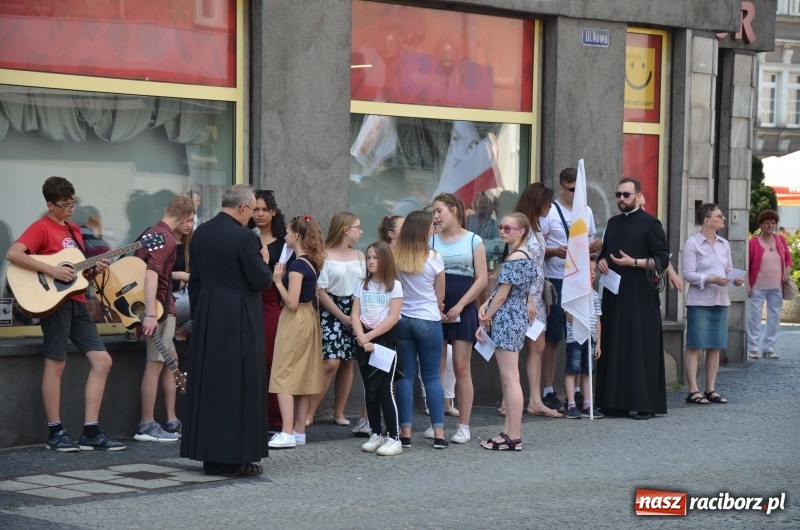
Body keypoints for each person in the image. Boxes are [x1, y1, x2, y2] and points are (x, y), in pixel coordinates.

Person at [5, 176, 125, 451]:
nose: (71, 209)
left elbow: (78, 274)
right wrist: (53, 270)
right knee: (56, 363)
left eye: (73, 203)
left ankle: (91, 431)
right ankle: (55, 431)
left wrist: (95, 269)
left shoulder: (74, 230)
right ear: (50, 204)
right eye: (65, 205)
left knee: (103, 360)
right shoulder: (40, 228)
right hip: (55, 305)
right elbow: (13, 254)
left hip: (78, 302)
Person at [180, 185, 272, 477]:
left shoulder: (201, 233)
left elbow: (194, 281)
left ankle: (209, 455)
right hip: (239, 318)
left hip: (208, 316)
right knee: (240, 385)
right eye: (252, 210)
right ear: (243, 208)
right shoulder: (245, 238)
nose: (252, 217)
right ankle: (237, 458)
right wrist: (266, 263)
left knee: (211, 385)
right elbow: (260, 280)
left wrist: (201, 314)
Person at [596, 178, 670, 419]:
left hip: (641, 297)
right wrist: (602, 261)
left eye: (626, 195)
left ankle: (644, 403)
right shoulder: (613, 223)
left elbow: (661, 260)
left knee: (640, 347)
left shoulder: (651, 223)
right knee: (614, 345)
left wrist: (634, 263)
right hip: (614, 295)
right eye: (618, 195)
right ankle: (613, 402)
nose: (621, 199)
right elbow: (604, 254)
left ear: (638, 196)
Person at [134, 195, 195, 443]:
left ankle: (171, 421)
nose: (190, 224)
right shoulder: (168, 239)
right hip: (158, 307)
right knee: (156, 362)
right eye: (190, 219)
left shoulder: (152, 232)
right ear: (184, 218)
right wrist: (150, 314)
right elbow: (150, 274)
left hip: (159, 306)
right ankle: (146, 425)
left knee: (170, 359)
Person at [540, 168, 601, 410]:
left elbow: (592, 247)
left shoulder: (586, 211)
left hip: (580, 279)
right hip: (556, 278)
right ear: (562, 188)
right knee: (554, 335)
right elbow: (538, 249)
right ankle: (548, 389)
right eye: (572, 190)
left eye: (580, 190)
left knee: (580, 333)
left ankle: (577, 392)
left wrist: (593, 258)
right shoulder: (551, 213)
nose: (577, 194)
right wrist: (555, 252)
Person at [429, 192, 488, 444]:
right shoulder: (431, 240)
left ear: (453, 210)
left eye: (439, 211)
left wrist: (463, 305)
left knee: (462, 367)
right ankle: (437, 423)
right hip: (436, 304)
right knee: (436, 367)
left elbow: (482, 278)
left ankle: (464, 425)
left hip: (463, 303)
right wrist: (436, 304)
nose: (435, 216)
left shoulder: (474, 240)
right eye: (433, 212)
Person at [476, 213, 536, 450]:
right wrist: (486, 305)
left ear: (521, 231)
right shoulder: (523, 255)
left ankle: (514, 435)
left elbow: (502, 294)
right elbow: (503, 292)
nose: (502, 231)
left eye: (508, 228)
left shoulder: (515, 258)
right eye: (501, 227)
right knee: (509, 378)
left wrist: (484, 319)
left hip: (508, 316)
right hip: (514, 314)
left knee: (510, 378)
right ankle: (509, 432)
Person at [268, 215, 325, 449]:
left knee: (283, 373)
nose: (284, 236)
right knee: (302, 375)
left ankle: (287, 432)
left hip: (296, 317)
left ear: (297, 236)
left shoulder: (296, 266)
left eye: (288, 232)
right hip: (308, 317)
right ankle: (299, 430)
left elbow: (291, 302)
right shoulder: (311, 261)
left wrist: (278, 281)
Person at [306, 212, 366, 427]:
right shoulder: (325, 255)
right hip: (331, 311)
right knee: (330, 362)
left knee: (349, 362)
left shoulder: (360, 256)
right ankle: (309, 412)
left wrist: (355, 315)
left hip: (356, 308)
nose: (361, 231)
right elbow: (320, 291)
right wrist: (342, 316)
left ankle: (339, 412)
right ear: (345, 229)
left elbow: (365, 287)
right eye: (357, 227)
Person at [393, 210, 447, 449]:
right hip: (428, 320)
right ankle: (439, 434)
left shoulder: (396, 256)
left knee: (405, 378)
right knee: (432, 377)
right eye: (431, 226)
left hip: (403, 320)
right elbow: (440, 296)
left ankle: (405, 433)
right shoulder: (434, 257)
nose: (433, 229)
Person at [509, 182, 561, 418]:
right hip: (523, 296)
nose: (550, 207)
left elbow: (538, 266)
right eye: (547, 202)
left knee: (537, 346)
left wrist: (542, 295)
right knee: (514, 348)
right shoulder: (523, 230)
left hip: (536, 295)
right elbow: (523, 266)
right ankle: (508, 401)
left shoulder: (536, 228)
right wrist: (530, 297)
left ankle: (535, 400)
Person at [683, 204, 744, 405]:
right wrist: (710, 279)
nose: (723, 218)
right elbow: (688, 274)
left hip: (720, 299)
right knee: (695, 346)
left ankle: (710, 389)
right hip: (700, 301)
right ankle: (693, 390)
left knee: (715, 347)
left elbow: (728, 269)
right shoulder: (692, 244)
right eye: (719, 216)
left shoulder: (724, 244)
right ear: (707, 220)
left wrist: (734, 279)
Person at [351, 213, 405, 437]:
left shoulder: (394, 286)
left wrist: (370, 337)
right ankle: (375, 433)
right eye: (369, 257)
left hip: (384, 340)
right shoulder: (362, 285)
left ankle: (393, 435)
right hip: (363, 339)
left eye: (376, 257)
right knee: (368, 391)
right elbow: (355, 314)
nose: (371, 261)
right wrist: (361, 337)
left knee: (383, 390)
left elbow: (392, 318)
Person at [252, 189, 289, 431]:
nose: (260, 214)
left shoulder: (284, 243)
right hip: (247, 302)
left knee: (270, 360)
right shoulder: (245, 237)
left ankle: (274, 418)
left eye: (265, 209)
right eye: (255, 209)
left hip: (272, 305)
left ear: (274, 212)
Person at [747, 210, 792, 360]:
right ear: (760, 224)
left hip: (776, 286)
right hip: (757, 286)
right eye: (767, 223)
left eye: (773, 223)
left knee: (774, 317)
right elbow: (747, 266)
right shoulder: (752, 243)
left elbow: (788, 261)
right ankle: (753, 348)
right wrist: (747, 285)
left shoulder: (780, 240)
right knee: (754, 317)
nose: (770, 225)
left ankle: (768, 348)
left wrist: (787, 272)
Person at [563, 253, 603, 419]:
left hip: (591, 339)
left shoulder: (594, 295)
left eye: (594, 270)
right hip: (575, 338)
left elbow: (598, 320)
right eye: (589, 270)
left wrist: (598, 343)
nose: (593, 273)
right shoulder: (574, 294)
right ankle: (571, 404)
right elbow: (569, 315)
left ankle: (588, 403)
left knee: (588, 371)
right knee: (572, 370)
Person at [637, 193, 683, 290]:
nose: (643, 209)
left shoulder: (650, 224)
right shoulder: (615, 224)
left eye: (643, 206)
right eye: (640, 206)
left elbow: (660, 256)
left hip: (645, 283)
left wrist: (671, 272)